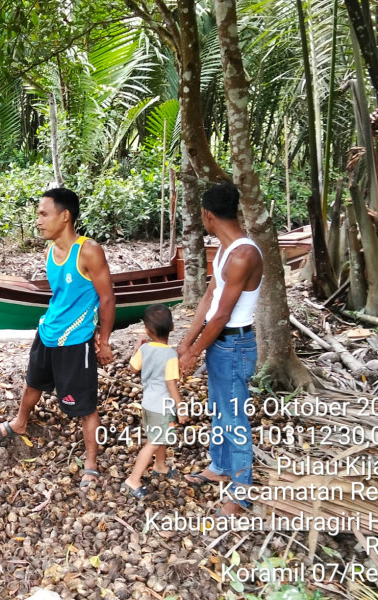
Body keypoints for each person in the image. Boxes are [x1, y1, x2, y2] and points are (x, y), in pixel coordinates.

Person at [0, 188, 116, 488]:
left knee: (85, 406)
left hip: (76, 340)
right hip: (47, 332)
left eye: (44, 214)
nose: (38, 220)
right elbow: (62, 296)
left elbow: (107, 298)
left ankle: (91, 462)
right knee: (33, 382)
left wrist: (104, 340)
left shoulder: (89, 251)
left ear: (65, 216)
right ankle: (19, 422)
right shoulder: (49, 252)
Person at [176, 182, 263, 517]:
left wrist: (193, 353)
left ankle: (241, 493)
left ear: (207, 215)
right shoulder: (226, 250)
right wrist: (186, 343)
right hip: (220, 342)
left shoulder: (243, 255)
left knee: (234, 417)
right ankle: (221, 466)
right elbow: (210, 298)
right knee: (220, 409)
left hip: (234, 344)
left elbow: (223, 314)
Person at [123, 304, 189, 499]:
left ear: (147, 330)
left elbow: (132, 369)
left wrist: (137, 348)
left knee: (160, 436)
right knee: (154, 441)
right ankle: (133, 479)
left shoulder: (144, 349)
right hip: (162, 406)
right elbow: (171, 384)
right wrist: (181, 407)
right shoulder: (170, 355)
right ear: (172, 327)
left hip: (148, 404)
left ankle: (160, 466)